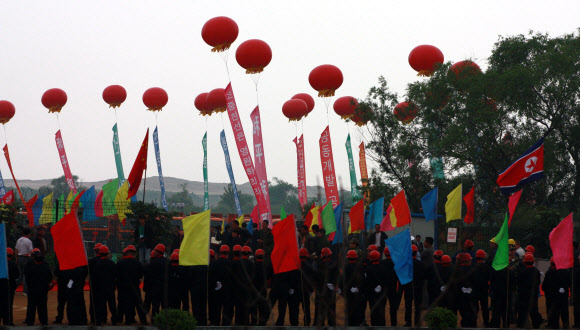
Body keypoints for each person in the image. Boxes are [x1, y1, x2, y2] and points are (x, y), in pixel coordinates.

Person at [116, 245, 147, 325]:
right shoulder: (138, 263)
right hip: (135, 287)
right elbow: (141, 274)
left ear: (127, 252)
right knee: (138, 304)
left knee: (123, 303)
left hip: (123, 287)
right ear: (134, 252)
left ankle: (121, 320)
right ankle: (143, 321)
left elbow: (116, 275)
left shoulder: (120, 263)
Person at [24, 248, 52, 326]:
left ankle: (30, 321)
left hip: (32, 288)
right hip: (43, 289)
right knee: (42, 306)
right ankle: (44, 321)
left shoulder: (29, 265)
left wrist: (29, 285)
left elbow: (27, 276)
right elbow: (49, 277)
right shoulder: (45, 265)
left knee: (31, 306)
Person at [401, 244, 426, 327]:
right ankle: (417, 322)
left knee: (408, 305)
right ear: (416, 253)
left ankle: (408, 322)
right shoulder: (421, 264)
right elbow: (423, 277)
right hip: (418, 288)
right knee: (417, 307)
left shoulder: (405, 264)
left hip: (408, 287)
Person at [93, 245, 118, 326]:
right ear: (107, 254)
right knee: (112, 305)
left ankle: (100, 320)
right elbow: (115, 275)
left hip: (100, 289)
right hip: (110, 288)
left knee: (100, 305)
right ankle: (114, 320)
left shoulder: (97, 264)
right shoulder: (112, 263)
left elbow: (95, 277)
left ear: (99, 254)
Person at [543, 257, 570, 328]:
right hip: (563, 295)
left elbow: (545, 285)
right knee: (564, 310)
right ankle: (565, 324)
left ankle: (554, 325)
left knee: (555, 311)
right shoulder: (565, 271)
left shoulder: (549, 272)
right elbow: (569, 282)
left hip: (553, 295)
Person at [516, 253, 542, 328]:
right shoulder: (536, 271)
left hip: (523, 294)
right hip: (533, 294)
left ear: (525, 262)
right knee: (534, 310)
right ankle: (536, 324)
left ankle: (521, 324)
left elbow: (519, 282)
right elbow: (538, 282)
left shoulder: (523, 271)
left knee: (522, 311)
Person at [314, 247, 338, 326]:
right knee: (331, 309)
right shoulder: (333, 264)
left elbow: (316, 277)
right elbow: (337, 277)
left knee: (320, 309)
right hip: (330, 291)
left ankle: (319, 323)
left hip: (320, 291)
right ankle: (331, 324)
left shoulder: (319, 264)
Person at [343, 250, 365, 326]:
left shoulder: (346, 267)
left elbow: (344, 280)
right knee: (358, 308)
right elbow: (363, 279)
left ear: (348, 258)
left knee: (349, 309)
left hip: (349, 293)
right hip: (359, 292)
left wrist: (349, 288)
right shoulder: (360, 266)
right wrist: (358, 288)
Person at [365, 250, 387, 326]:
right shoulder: (383, 267)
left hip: (372, 294)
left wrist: (374, 287)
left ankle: (374, 325)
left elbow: (367, 282)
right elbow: (386, 280)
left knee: (373, 310)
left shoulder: (368, 269)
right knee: (382, 311)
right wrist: (380, 286)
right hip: (382, 293)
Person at [381, 246, 401, 326]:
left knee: (382, 306)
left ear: (384, 254)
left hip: (383, 287)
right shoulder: (395, 262)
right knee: (393, 307)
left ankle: (382, 323)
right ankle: (394, 323)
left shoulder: (382, 263)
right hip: (393, 287)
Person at [456, 253, 477, 327]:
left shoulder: (457, 270)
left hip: (461, 296)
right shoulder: (473, 269)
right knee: (472, 313)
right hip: (472, 296)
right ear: (467, 261)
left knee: (464, 313)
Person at [148, 244, 169, 320]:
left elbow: (149, 275)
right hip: (165, 287)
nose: (154, 252)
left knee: (155, 305)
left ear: (158, 252)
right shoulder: (167, 261)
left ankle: (154, 319)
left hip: (155, 287)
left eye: (155, 250)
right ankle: (165, 320)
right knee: (164, 305)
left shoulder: (153, 262)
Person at [0, 248, 19, 326]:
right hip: (10, 287)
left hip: (1, 286)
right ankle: (8, 321)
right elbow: (17, 275)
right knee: (8, 304)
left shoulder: (1, 263)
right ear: (11, 256)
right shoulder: (13, 264)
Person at [473, 249, 491, 327]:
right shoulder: (487, 267)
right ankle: (486, 323)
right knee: (485, 307)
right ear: (483, 257)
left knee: (474, 307)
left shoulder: (472, 266)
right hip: (484, 290)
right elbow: (490, 279)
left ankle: (473, 322)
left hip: (475, 290)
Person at [15, 228, 33, 295]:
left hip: (19, 257)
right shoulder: (28, 241)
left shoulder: (19, 240)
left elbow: (16, 250)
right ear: (29, 234)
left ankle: (13, 288)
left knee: (20, 274)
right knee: (25, 275)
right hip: (26, 258)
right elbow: (31, 251)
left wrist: (16, 258)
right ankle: (25, 291)